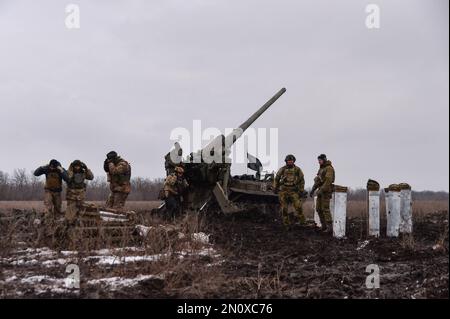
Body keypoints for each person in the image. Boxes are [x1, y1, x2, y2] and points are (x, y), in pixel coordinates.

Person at [273, 154, 306, 227]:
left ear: (294, 161)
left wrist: (301, 190)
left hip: (293, 191)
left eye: (291, 161)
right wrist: (275, 188)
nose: (290, 162)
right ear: (286, 161)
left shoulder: (297, 169)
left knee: (298, 207)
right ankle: (286, 224)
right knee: (284, 208)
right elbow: (276, 179)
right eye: (288, 161)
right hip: (284, 191)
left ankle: (303, 222)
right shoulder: (282, 169)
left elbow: (302, 180)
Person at [310, 154, 335, 232]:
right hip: (320, 191)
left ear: (324, 160)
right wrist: (313, 190)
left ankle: (329, 228)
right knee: (318, 209)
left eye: (320, 160)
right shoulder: (321, 169)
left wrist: (322, 190)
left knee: (325, 209)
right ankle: (323, 226)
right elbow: (318, 181)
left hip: (326, 191)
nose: (319, 162)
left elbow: (328, 181)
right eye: (318, 160)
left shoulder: (329, 168)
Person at [65, 160, 94, 224]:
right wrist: (71, 170)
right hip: (71, 193)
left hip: (80, 193)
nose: (77, 168)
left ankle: (79, 221)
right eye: (76, 166)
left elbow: (91, 177)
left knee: (81, 208)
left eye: (78, 166)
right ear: (73, 166)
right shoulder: (70, 172)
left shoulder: (83, 172)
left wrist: (86, 169)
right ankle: (69, 223)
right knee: (71, 209)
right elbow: (67, 178)